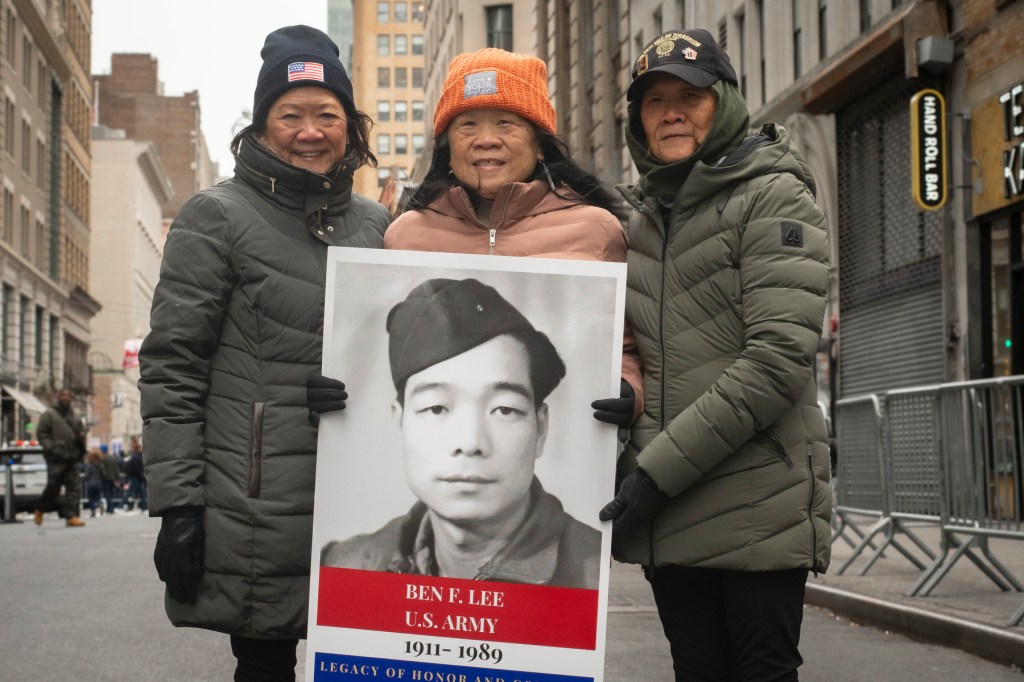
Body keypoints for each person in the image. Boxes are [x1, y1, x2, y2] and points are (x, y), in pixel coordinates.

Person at [138, 24, 390, 682]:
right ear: (261, 124)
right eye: (291, 114)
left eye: (327, 114)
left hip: (364, 497)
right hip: (255, 503)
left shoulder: (380, 226)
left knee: (367, 658)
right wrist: (180, 505)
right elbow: (173, 369)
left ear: (350, 125)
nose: (311, 131)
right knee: (267, 663)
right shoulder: (215, 217)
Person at [598, 29, 833, 681]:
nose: (671, 111)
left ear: (724, 102)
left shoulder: (772, 195)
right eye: (654, 100)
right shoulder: (641, 222)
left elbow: (778, 359)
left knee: (761, 671)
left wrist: (653, 473)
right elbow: (628, 350)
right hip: (670, 510)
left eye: (690, 95)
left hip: (757, 499)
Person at [380, 47, 643, 438]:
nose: (486, 140)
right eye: (467, 125)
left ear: (539, 144)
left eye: (506, 123)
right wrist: (343, 393)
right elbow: (380, 360)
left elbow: (625, 348)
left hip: (568, 449)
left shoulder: (596, 230)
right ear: (447, 146)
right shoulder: (404, 236)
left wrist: (627, 389)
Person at [321, 278, 600, 589]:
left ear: (541, 429)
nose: (470, 443)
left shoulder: (597, 576)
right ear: (400, 422)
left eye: (504, 410)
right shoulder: (347, 566)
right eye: (437, 408)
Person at [33, 388, 86, 527]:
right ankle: (40, 509)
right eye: (63, 395)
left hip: (72, 457)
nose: (66, 397)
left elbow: (81, 432)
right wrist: (50, 447)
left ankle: (72, 516)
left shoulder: (75, 415)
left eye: (69, 395)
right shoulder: (49, 414)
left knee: (74, 488)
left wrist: (81, 438)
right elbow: (42, 434)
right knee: (53, 488)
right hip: (56, 458)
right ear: (58, 397)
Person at [124, 437, 147, 512]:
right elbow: (137, 469)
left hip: (137, 478)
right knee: (132, 493)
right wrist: (141, 476)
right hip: (137, 478)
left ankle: (144, 507)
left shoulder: (136, 456)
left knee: (139, 493)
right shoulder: (137, 457)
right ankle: (122, 505)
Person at [98, 443, 122, 513]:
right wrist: (117, 478)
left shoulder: (101, 458)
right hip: (113, 478)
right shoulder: (112, 457)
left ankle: (110, 508)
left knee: (107, 494)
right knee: (111, 494)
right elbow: (116, 469)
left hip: (105, 478)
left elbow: (101, 469)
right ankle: (110, 508)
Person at [83, 449, 104, 518]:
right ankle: (99, 504)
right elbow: (103, 474)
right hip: (98, 483)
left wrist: (86, 479)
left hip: (91, 483)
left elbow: (87, 475)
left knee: (91, 497)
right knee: (98, 496)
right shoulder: (100, 465)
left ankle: (93, 510)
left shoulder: (89, 465)